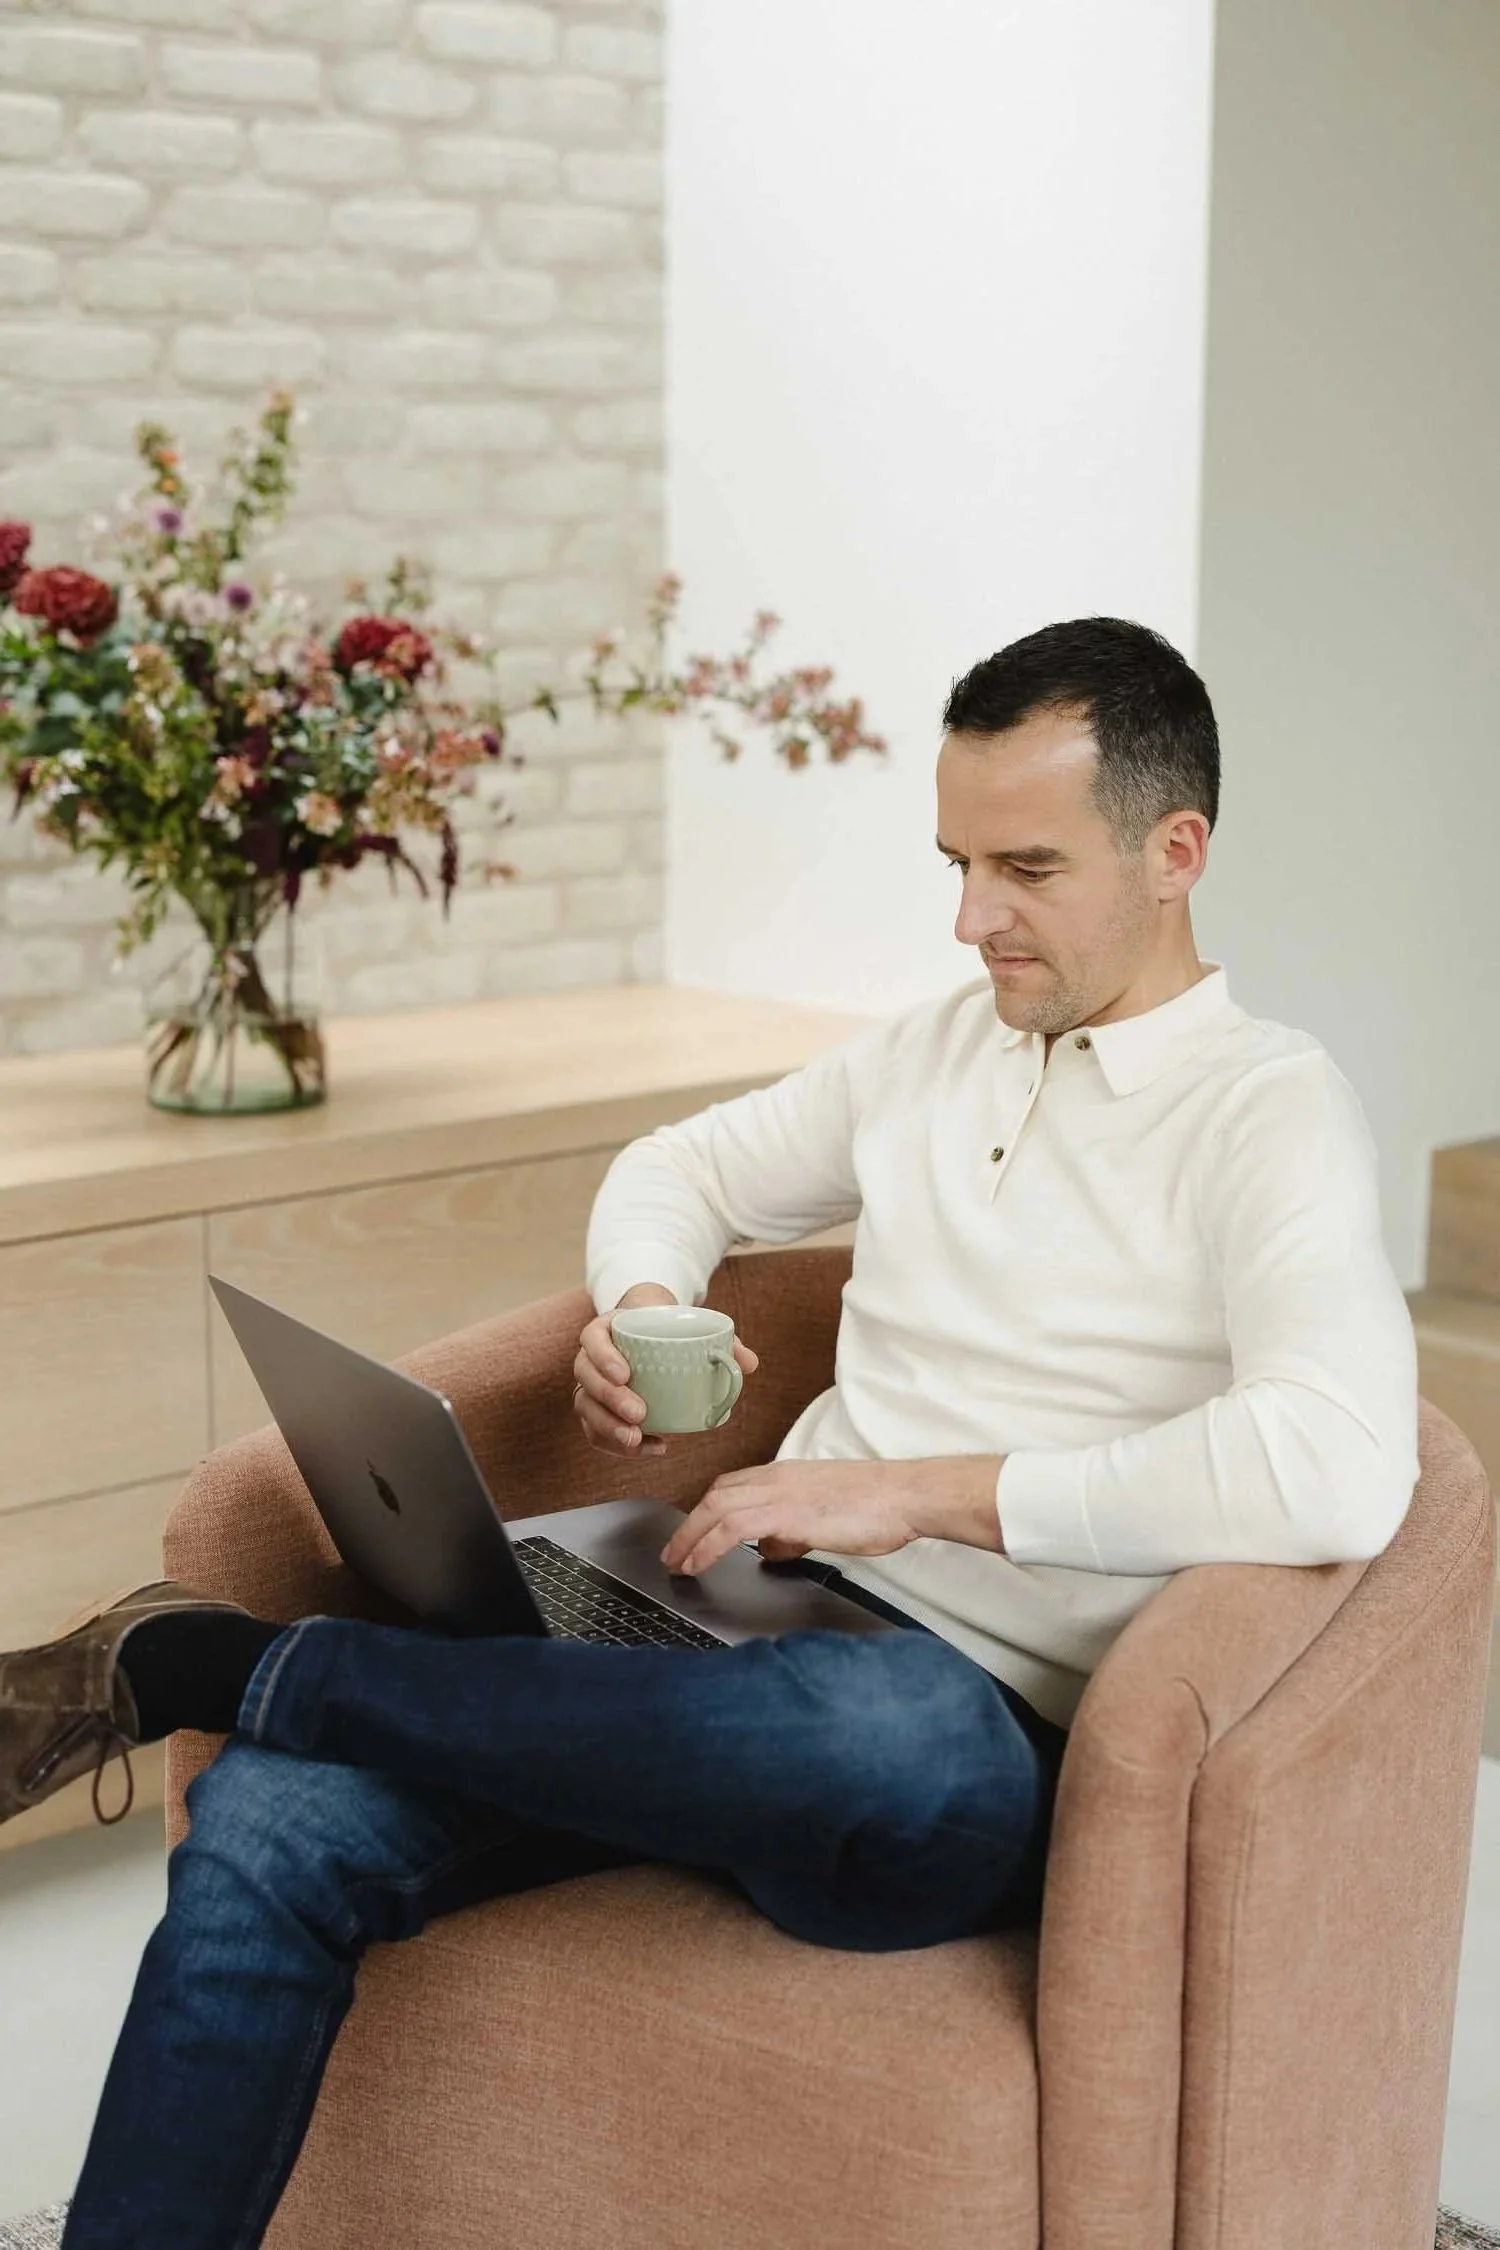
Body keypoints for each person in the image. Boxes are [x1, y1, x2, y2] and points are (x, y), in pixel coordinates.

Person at [0, 616, 1419, 2250]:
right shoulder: (934, 1051)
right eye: (956, 862)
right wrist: (642, 1298)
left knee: (887, 1725)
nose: (973, 921)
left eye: (1026, 868)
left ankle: (207, 1662)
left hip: (957, 1731)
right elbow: (679, 1168)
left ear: (1178, 853)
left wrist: (917, 1495)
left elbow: (1341, 1458)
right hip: (712, 1638)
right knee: (267, 1823)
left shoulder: (1268, 1108)